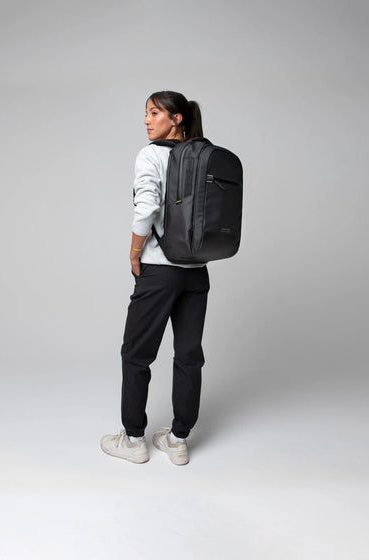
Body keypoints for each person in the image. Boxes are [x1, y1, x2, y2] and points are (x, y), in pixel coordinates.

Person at [100, 91, 210, 466]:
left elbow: (146, 206)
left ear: (176, 118)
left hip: (160, 270)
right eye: (145, 114)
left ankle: (133, 440)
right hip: (197, 270)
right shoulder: (203, 155)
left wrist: (135, 252)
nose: (147, 120)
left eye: (154, 113)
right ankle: (178, 440)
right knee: (189, 355)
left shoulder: (151, 155)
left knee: (136, 355)